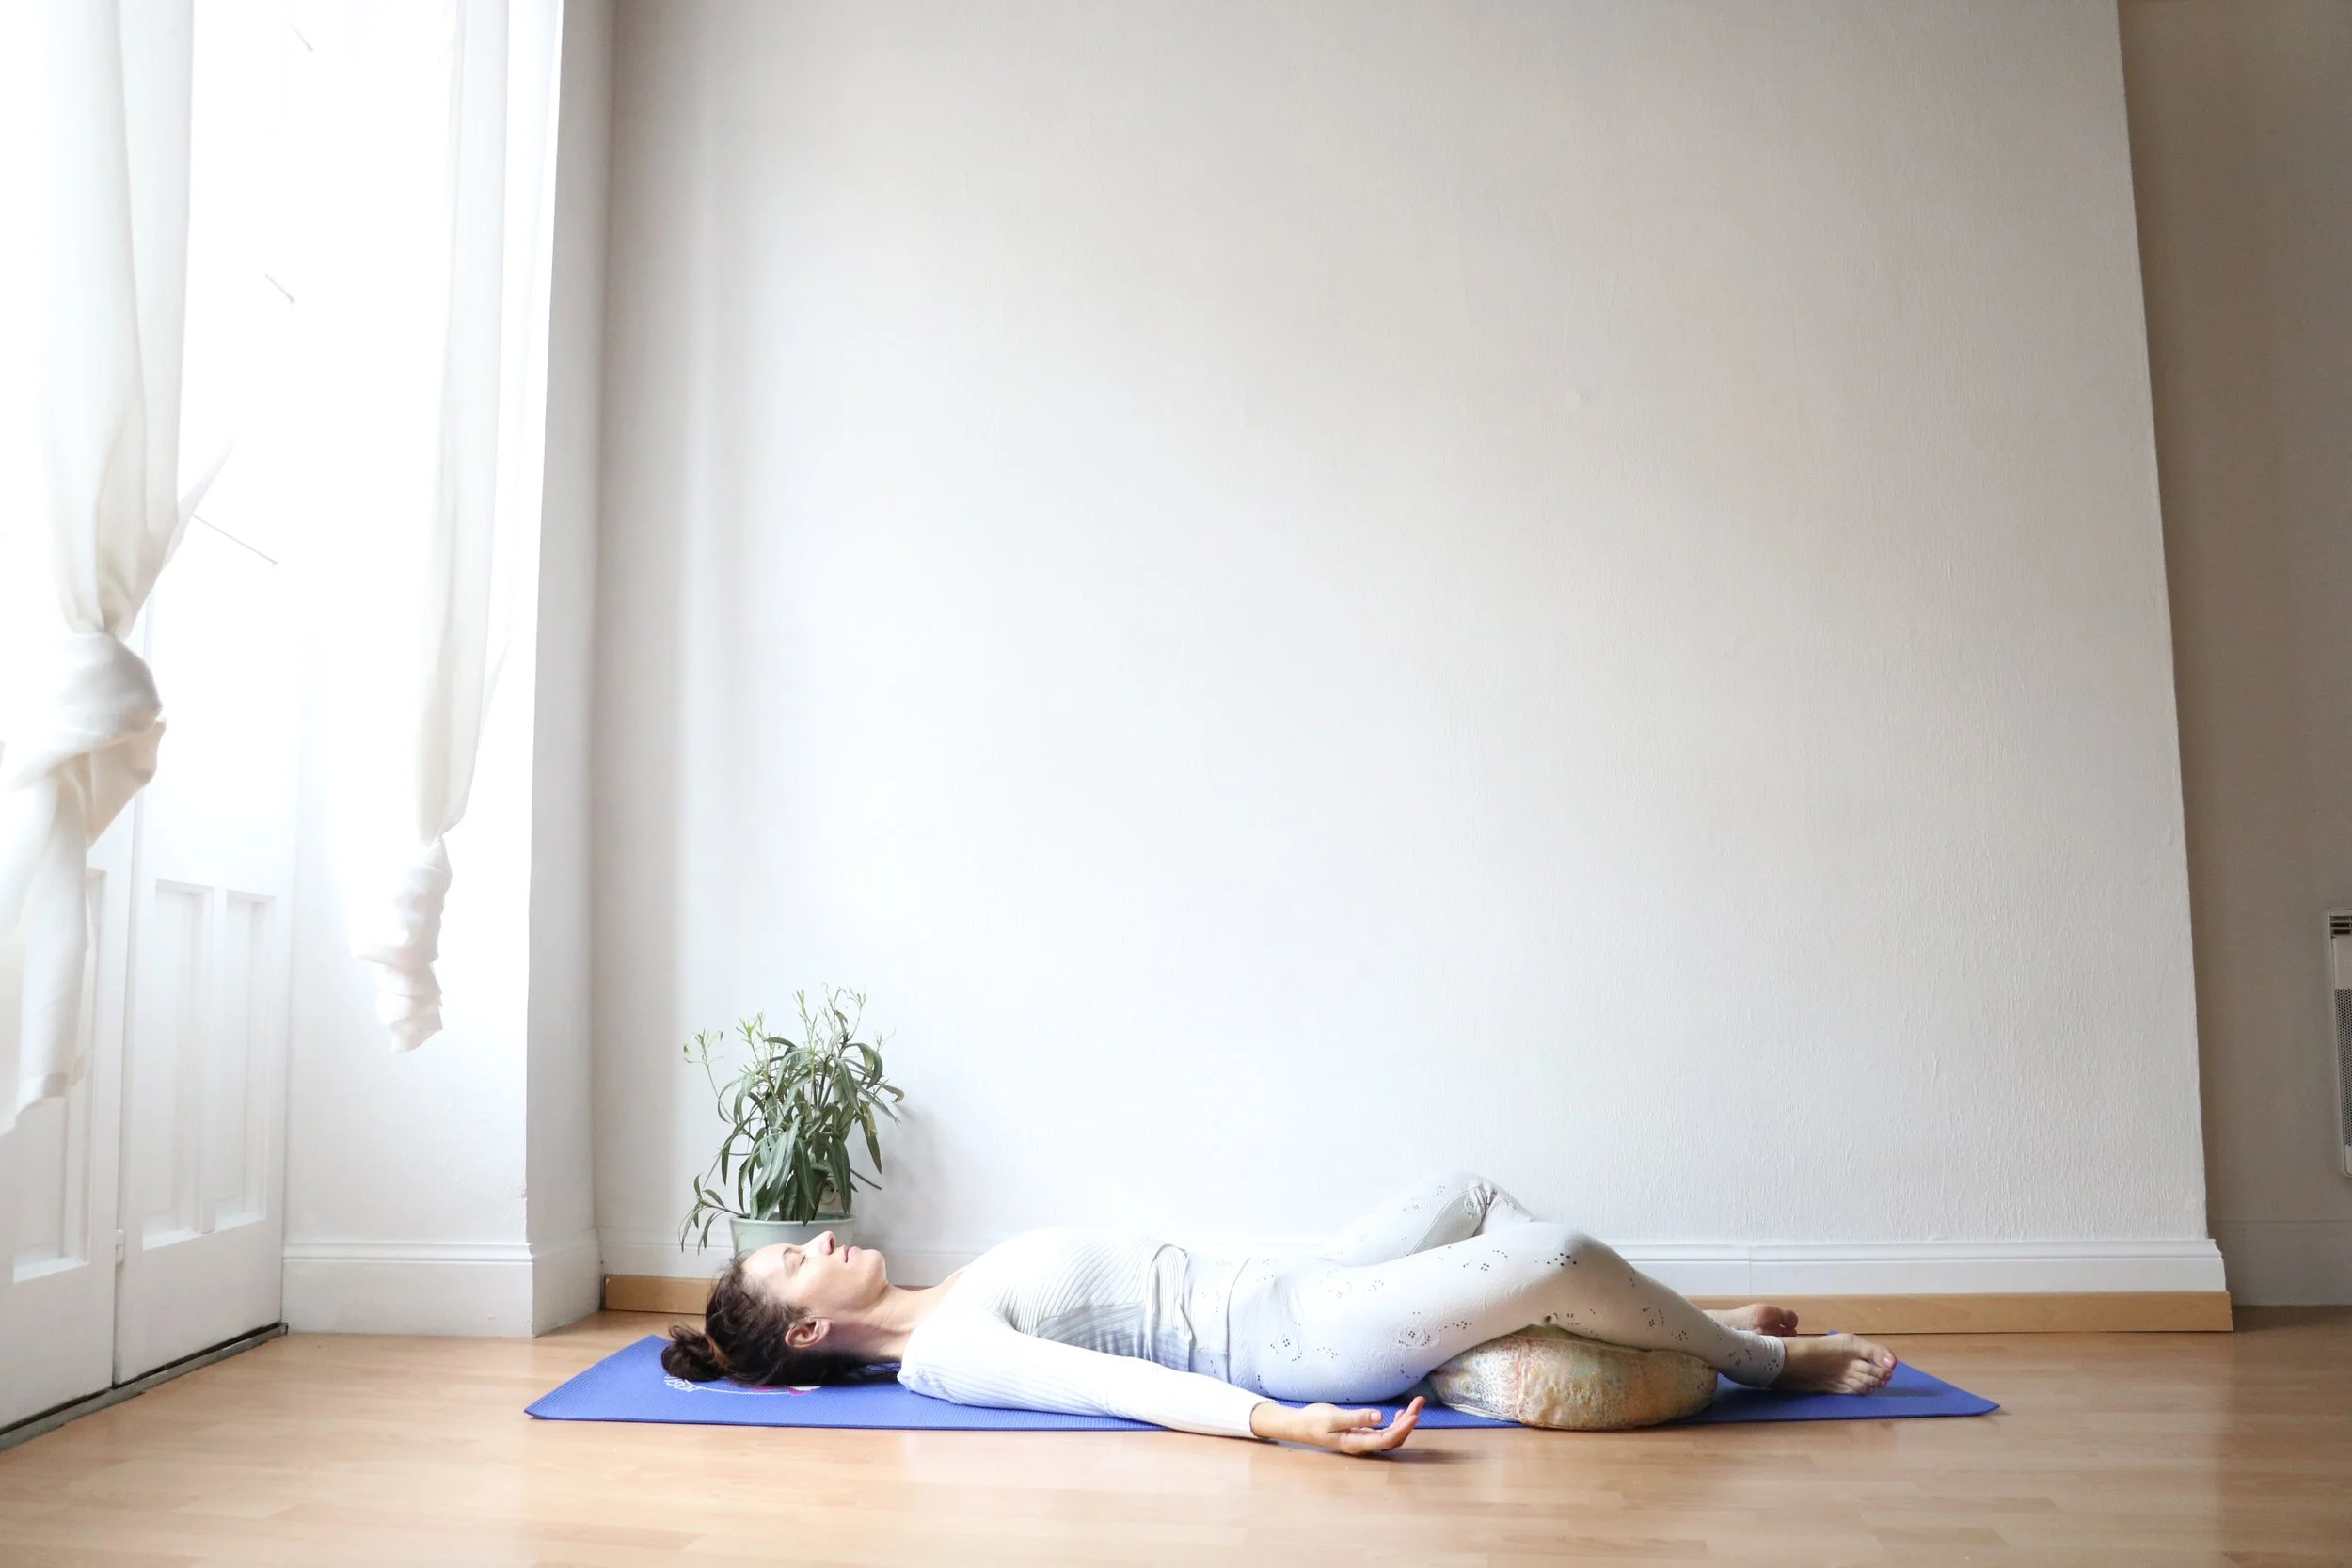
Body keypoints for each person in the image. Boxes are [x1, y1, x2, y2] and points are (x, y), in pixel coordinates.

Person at [661, 1168, 1898, 1455]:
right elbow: (1123, 1390)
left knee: (1463, 1189)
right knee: (1558, 1247)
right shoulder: (945, 1353)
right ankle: (1754, 1358)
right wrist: (1278, 1422)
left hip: (1300, 1277)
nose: (823, 1239)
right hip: (1304, 1342)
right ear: (810, 1328)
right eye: (799, 1259)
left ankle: (1634, 1319)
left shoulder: (943, 1294)